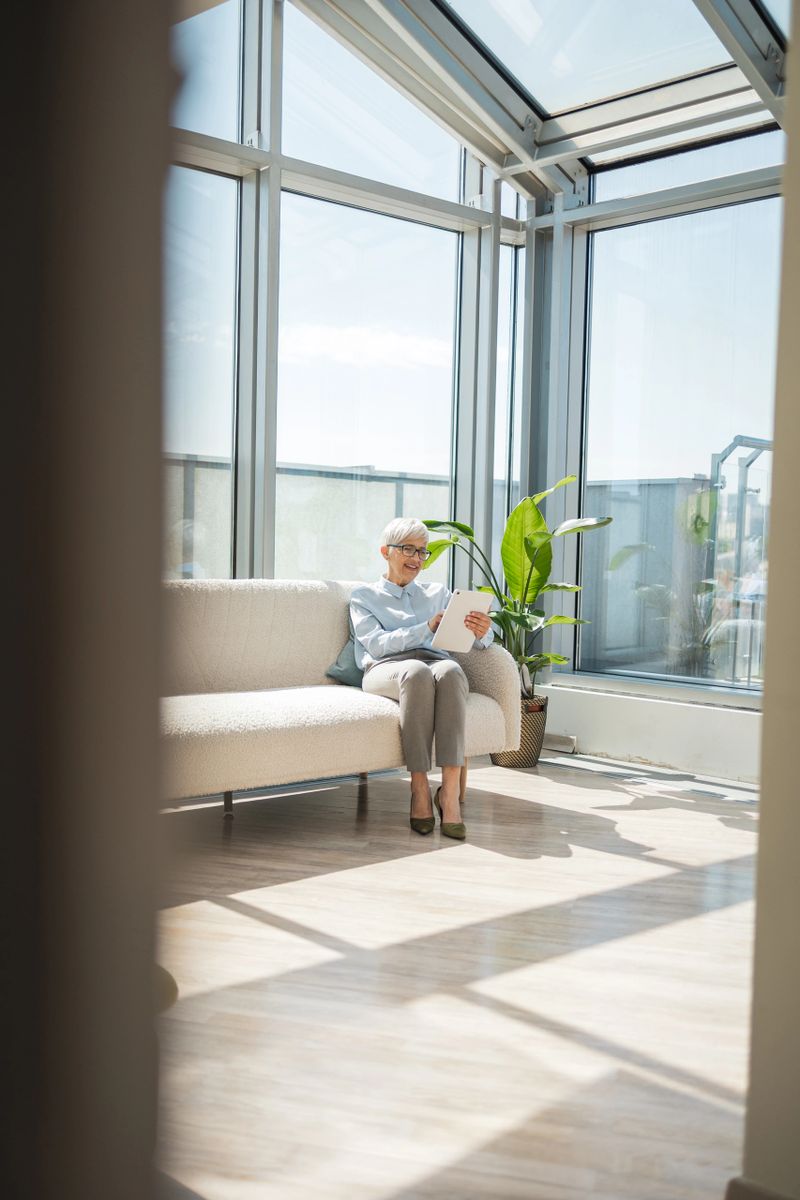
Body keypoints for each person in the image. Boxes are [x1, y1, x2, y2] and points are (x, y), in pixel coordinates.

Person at [350, 517, 493, 840]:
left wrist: (483, 632)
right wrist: (425, 629)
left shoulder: (438, 593)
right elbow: (377, 645)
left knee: (452, 670)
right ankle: (418, 789)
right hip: (385, 670)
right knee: (415, 672)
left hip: (436, 663)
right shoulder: (364, 597)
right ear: (386, 551)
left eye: (422, 552)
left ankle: (450, 793)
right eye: (408, 550)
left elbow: (478, 640)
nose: (416, 559)